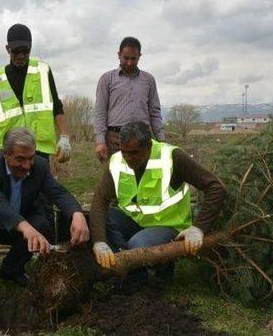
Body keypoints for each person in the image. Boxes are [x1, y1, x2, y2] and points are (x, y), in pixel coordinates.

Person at [0, 127, 90, 291]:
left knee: (41, 225)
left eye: (31, 158)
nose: (27, 165)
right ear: (5, 154)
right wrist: (26, 227)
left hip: (17, 225)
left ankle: (11, 269)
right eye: (20, 159)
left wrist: (77, 214)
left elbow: (57, 192)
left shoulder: (40, 166)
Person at [89, 121, 224, 291]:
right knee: (98, 221)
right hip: (135, 221)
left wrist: (199, 228)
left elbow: (215, 187)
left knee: (138, 243)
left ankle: (159, 269)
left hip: (168, 226)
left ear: (149, 146)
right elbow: (100, 200)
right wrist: (99, 241)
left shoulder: (172, 157)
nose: (129, 158)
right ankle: (130, 273)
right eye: (125, 153)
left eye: (134, 153)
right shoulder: (116, 162)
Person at [0, 24, 71, 163]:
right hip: (8, 151)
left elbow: (56, 106)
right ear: (8, 49)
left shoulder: (42, 71)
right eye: (16, 51)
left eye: (25, 51)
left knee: (39, 185)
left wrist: (64, 137)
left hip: (38, 149)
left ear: (30, 48)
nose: (20, 56)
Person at [94, 37, 165, 163]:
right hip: (115, 140)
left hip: (143, 139)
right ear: (119, 55)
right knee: (116, 179)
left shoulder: (148, 80)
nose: (129, 62)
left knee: (145, 179)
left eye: (134, 58)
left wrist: (161, 141)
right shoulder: (107, 79)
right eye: (126, 58)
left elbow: (155, 112)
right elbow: (100, 112)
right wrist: (100, 142)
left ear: (139, 56)